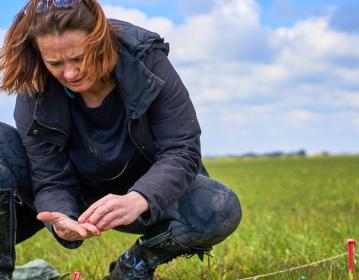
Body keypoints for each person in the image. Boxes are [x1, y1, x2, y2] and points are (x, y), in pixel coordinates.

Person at [0, 0, 242, 279]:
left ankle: (131, 269)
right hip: (75, 192)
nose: (69, 73)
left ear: (99, 41)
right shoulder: (35, 84)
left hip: (142, 190)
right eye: (55, 63)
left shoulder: (146, 60)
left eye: (79, 58)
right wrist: (60, 218)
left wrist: (141, 197)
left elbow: (181, 150)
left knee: (219, 206)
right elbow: (49, 177)